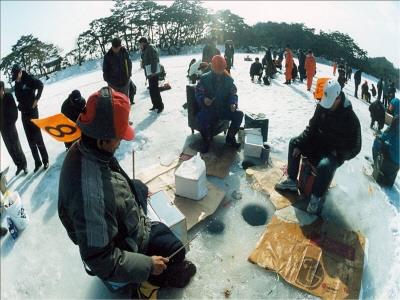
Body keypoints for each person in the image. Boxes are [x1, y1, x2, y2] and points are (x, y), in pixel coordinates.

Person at [58, 87, 196, 296]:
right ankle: (150, 282)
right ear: (102, 139)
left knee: (139, 186)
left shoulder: (86, 147)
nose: (121, 141)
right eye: (118, 137)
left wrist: (132, 190)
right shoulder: (92, 197)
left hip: (113, 218)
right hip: (122, 244)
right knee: (177, 252)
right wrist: (148, 264)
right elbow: (100, 259)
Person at [275, 80, 361, 214]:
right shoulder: (322, 106)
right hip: (317, 143)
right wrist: (301, 143)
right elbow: (312, 128)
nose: (326, 106)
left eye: (330, 102)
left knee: (324, 166)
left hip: (333, 152)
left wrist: (338, 153)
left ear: (338, 98)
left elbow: (355, 147)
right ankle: (292, 180)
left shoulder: (350, 119)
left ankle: (316, 198)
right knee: (294, 143)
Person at [195, 55, 244, 153]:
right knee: (201, 117)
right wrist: (204, 100)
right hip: (209, 109)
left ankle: (230, 138)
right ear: (212, 67)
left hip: (223, 109)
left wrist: (233, 103)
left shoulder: (229, 80)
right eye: (217, 69)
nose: (219, 72)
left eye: (221, 69)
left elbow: (233, 94)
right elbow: (198, 93)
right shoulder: (204, 79)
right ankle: (206, 141)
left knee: (239, 114)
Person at [12, 64, 49, 172]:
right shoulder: (16, 84)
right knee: (30, 139)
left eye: (17, 75)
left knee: (37, 136)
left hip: (33, 112)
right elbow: (19, 98)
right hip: (24, 113)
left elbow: (41, 85)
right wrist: (20, 105)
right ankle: (37, 162)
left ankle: (45, 160)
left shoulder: (29, 79)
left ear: (20, 72)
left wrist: (36, 100)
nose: (16, 78)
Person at [0, 81, 27, 175]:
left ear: (2, 89)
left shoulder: (8, 97)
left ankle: (24, 165)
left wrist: (11, 122)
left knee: (16, 146)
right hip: (2, 129)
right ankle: (18, 165)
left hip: (10, 126)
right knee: (10, 148)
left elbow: (15, 112)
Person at [139, 37, 164, 113]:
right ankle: (155, 105)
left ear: (143, 42)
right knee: (152, 90)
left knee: (155, 90)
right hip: (149, 73)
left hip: (153, 73)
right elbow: (146, 60)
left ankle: (160, 106)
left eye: (140, 43)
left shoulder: (150, 48)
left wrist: (153, 71)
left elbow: (154, 59)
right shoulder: (145, 49)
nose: (139, 45)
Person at [372, 116, 399, 187]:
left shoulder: (397, 121)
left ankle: (376, 164)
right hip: (398, 163)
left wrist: (378, 136)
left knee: (377, 141)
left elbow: (385, 136)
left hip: (392, 157)